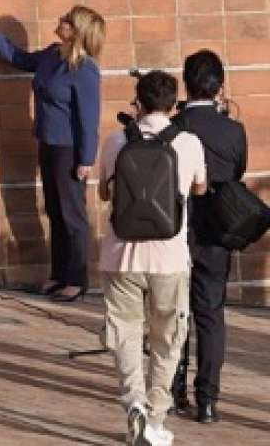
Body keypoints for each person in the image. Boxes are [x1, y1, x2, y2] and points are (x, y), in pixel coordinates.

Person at [98, 70, 207, 446]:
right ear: (174, 105)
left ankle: (134, 402)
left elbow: (102, 193)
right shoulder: (189, 142)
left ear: (137, 102)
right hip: (170, 257)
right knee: (167, 339)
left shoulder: (114, 141)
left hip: (120, 255)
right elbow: (200, 187)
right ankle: (156, 418)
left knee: (125, 334)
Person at [0, 5, 105, 301]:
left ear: (78, 31)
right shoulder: (51, 54)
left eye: (67, 21)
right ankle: (59, 274)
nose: (60, 22)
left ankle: (77, 277)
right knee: (55, 211)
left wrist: (86, 159)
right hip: (48, 141)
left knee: (72, 215)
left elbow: (88, 119)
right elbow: (21, 59)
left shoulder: (84, 70)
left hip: (70, 149)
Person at [170, 50, 247, 424]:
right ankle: (208, 401)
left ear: (186, 83)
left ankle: (173, 390)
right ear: (220, 85)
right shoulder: (233, 130)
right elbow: (238, 170)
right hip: (217, 232)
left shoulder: (175, 126)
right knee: (211, 316)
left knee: (175, 313)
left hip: (178, 231)